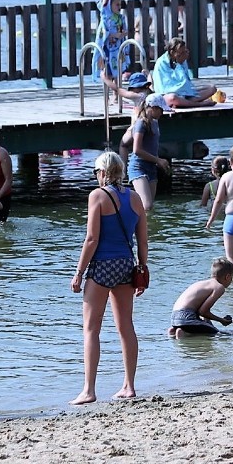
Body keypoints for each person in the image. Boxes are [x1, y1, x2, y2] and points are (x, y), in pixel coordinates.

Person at [70, 151, 147, 405]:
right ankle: (129, 385)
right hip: (126, 265)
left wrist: (79, 272)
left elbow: (92, 239)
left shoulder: (98, 196)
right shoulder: (135, 198)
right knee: (126, 326)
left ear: (102, 173)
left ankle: (89, 390)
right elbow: (143, 239)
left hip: (102, 266)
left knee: (91, 329)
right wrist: (143, 267)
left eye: (96, 173)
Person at [168, 257, 233, 338]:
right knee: (215, 333)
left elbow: (201, 312)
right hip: (187, 318)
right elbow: (203, 312)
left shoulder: (200, 283)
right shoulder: (219, 287)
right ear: (227, 277)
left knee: (207, 326)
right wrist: (222, 320)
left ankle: (174, 330)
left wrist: (208, 323)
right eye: (231, 278)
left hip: (175, 317)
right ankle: (185, 333)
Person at [128, 93, 173, 211]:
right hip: (138, 167)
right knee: (146, 205)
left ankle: (148, 229)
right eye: (160, 110)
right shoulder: (141, 123)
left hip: (151, 167)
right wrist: (158, 160)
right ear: (153, 108)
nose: (162, 113)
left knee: (150, 207)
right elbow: (136, 150)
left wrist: (160, 162)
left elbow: (153, 146)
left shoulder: (155, 123)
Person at [152, 38, 217, 108]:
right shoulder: (161, 63)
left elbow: (185, 82)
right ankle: (199, 104)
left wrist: (180, 63)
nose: (184, 54)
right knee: (173, 98)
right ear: (172, 52)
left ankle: (184, 103)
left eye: (184, 51)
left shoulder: (182, 59)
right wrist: (179, 64)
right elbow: (164, 88)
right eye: (181, 53)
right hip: (168, 95)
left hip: (185, 94)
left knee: (212, 88)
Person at [92, 0, 130, 88]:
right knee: (107, 72)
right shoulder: (105, 20)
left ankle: (116, 95)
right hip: (107, 49)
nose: (119, 7)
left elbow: (122, 29)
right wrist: (114, 35)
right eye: (117, 4)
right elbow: (102, 34)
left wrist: (123, 34)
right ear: (109, 5)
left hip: (118, 48)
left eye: (120, 4)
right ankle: (107, 96)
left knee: (118, 72)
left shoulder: (120, 18)